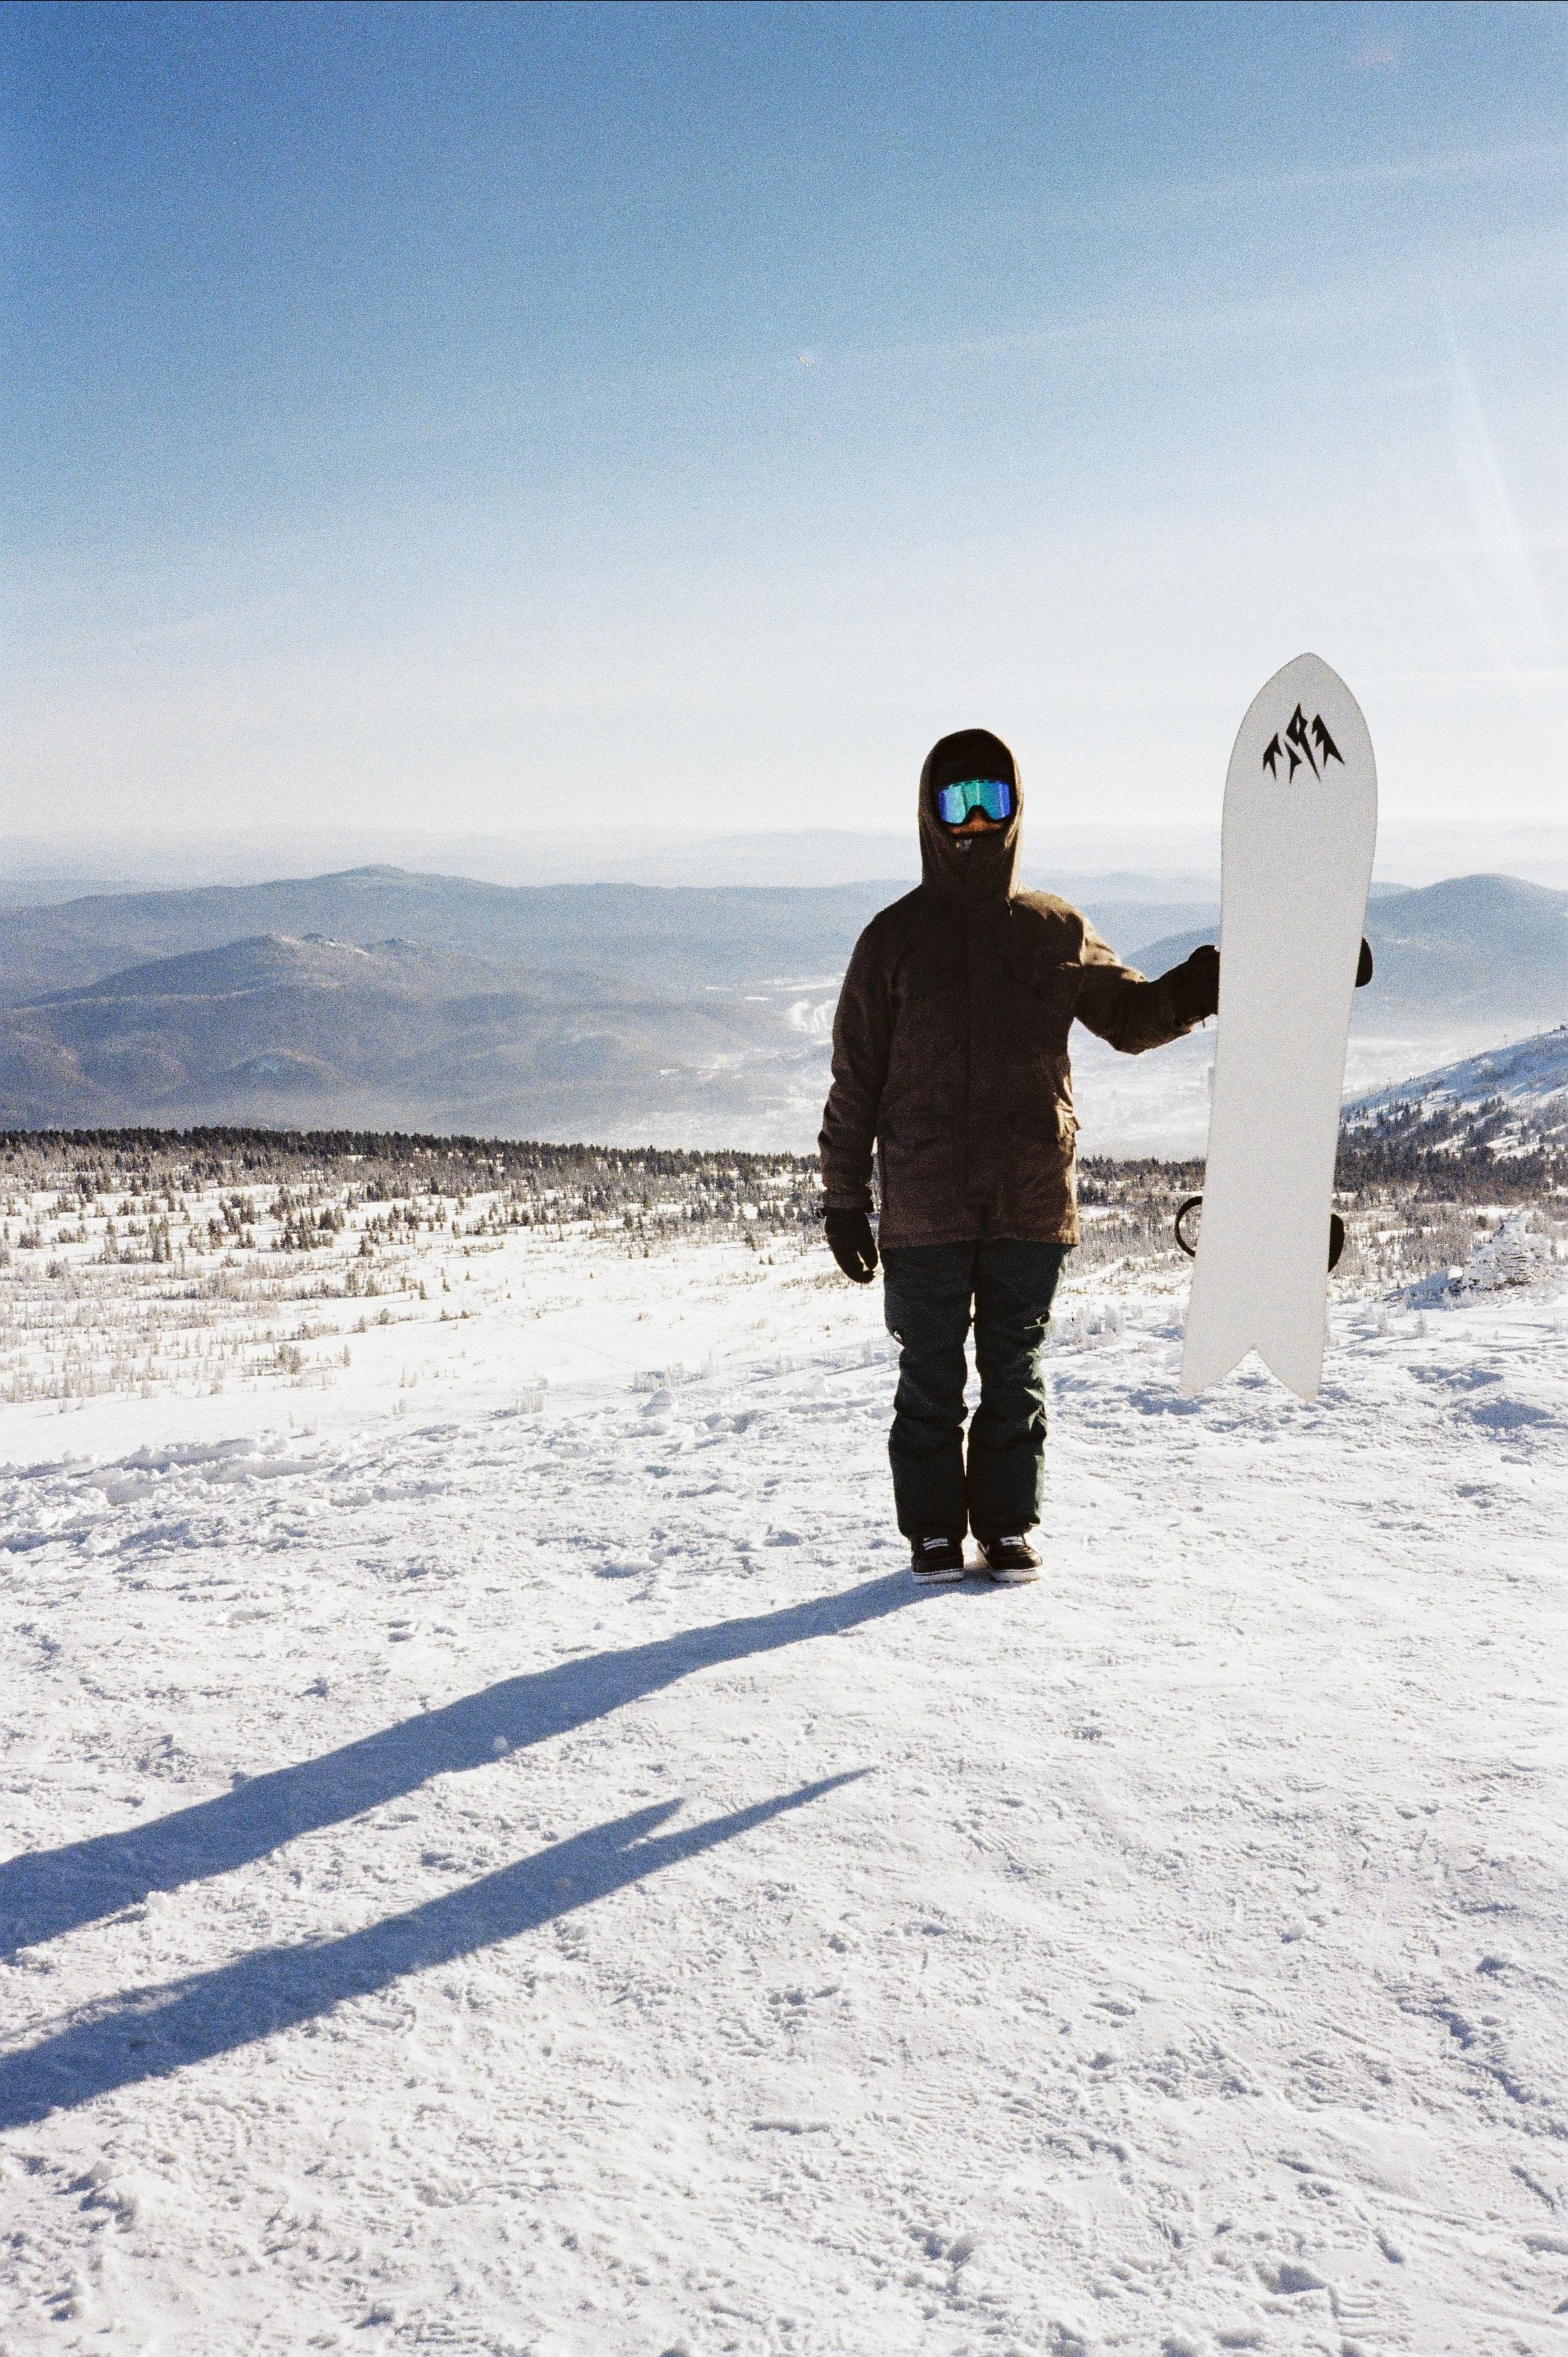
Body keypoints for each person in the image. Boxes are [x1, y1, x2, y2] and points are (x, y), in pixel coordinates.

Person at [818, 727, 1222, 1586]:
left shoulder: (1051, 929)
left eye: (987, 802)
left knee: (1013, 1369)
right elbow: (855, 1077)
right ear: (928, 814)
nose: (971, 823)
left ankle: (1005, 1526)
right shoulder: (891, 940)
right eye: (953, 803)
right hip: (924, 1205)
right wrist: (843, 1197)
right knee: (927, 1373)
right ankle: (931, 1530)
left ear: (1014, 810)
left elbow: (1131, 1017)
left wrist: (1200, 987)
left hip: (1029, 1197)